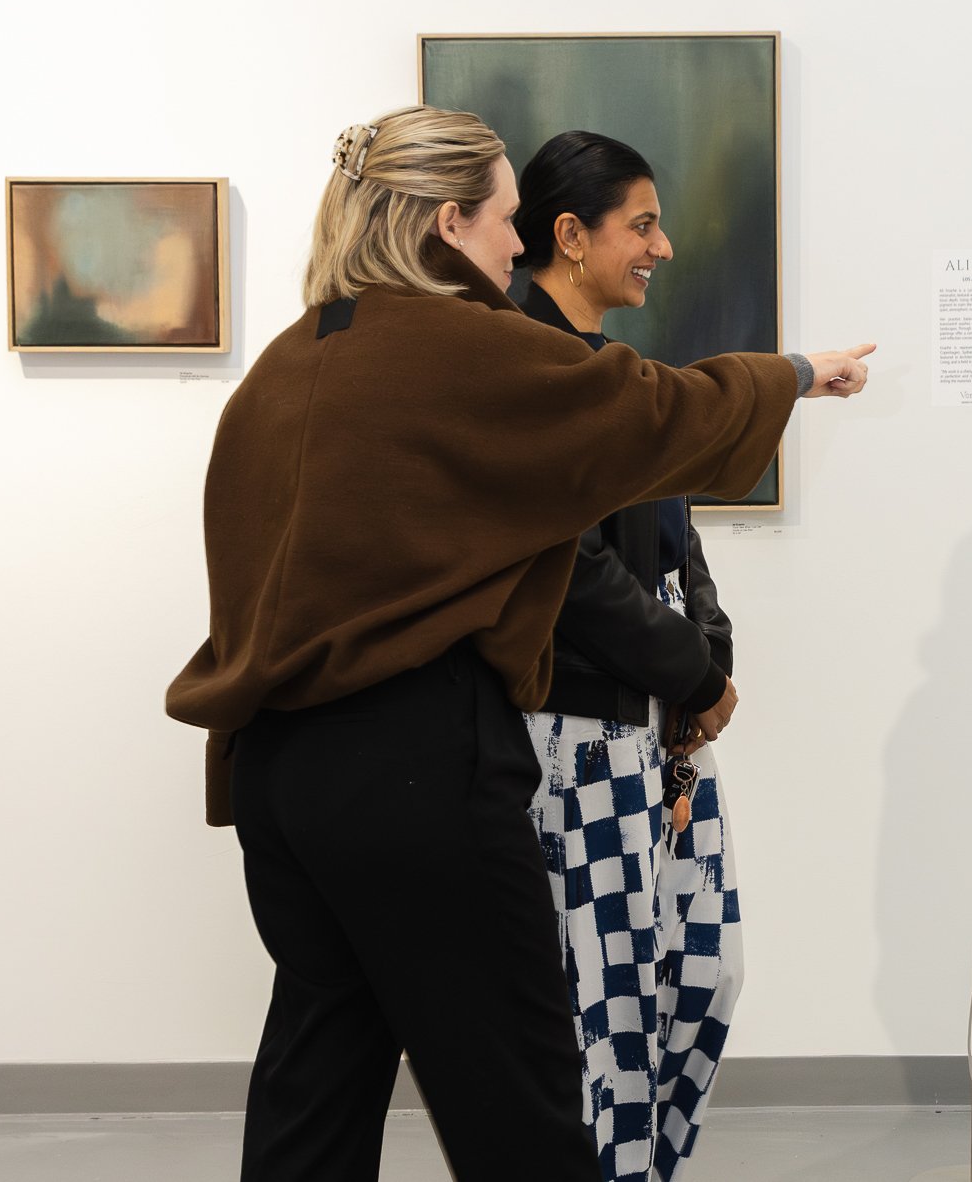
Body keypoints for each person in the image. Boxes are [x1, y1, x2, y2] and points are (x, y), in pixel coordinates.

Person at [164, 105, 873, 1182]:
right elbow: (650, 417)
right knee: (521, 1109)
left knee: (317, 1086)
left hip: (281, 779)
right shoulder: (461, 347)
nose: (515, 241)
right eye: (503, 218)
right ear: (449, 222)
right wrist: (792, 372)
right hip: (414, 770)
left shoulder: (286, 363)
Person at [512, 130, 756, 1179]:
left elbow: (674, 534)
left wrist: (708, 651)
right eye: (641, 223)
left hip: (659, 731)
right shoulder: (526, 367)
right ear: (569, 236)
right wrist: (692, 673)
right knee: (600, 1020)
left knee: (701, 978)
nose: (663, 244)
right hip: (577, 734)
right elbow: (567, 575)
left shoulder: (620, 371)